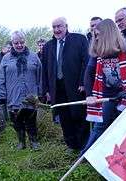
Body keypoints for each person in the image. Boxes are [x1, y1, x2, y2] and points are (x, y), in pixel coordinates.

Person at [81, 19, 126, 155]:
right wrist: (90, 95)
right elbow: (88, 73)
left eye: (98, 35)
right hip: (106, 95)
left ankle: (123, 157)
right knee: (99, 125)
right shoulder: (98, 51)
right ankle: (86, 155)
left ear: (108, 34)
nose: (95, 38)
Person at [42, 17, 90, 150]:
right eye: (54, 27)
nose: (57, 30)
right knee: (64, 118)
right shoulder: (48, 46)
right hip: (57, 88)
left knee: (78, 115)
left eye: (59, 26)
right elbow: (45, 69)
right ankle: (71, 145)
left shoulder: (79, 39)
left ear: (66, 26)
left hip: (76, 87)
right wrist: (46, 90)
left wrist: (83, 82)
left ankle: (83, 146)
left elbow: (86, 62)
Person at [0, 31, 42, 150]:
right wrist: (2, 94)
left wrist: (41, 92)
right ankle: (21, 142)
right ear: (12, 43)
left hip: (30, 94)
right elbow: (1, 77)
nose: (19, 45)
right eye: (16, 43)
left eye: (21, 42)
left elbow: (40, 76)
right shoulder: (6, 59)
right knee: (16, 120)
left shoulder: (34, 56)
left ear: (25, 42)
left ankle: (34, 142)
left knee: (31, 119)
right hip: (13, 95)